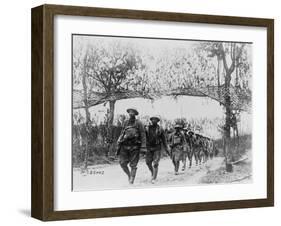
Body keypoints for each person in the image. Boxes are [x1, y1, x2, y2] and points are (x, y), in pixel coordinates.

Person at [116, 108, 147, 184]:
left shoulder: (139, 123)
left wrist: (143, 146)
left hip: (135, 146)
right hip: (125, 146)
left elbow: (143, 134)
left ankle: (131, 180)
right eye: (129, 112)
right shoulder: (126, 122)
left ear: (135, 114)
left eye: (132, 112)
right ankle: (129, 175)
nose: (131, 114)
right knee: (122, 163)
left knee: (133, 165)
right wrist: (119, 141)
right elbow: (122, 133)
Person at [145, 116, 170, 184]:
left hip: (157, 148)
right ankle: (153, 172)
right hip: (149, 147)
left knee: (155, 163)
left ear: (157, 121)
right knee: (148, 162)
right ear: (151, 120)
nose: (154, 120)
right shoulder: (147, 128)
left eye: (155, 119)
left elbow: (164, 140)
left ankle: (154, 178)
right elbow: (143, 137)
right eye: (153, 119)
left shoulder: (160, 129)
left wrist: (166, 148)